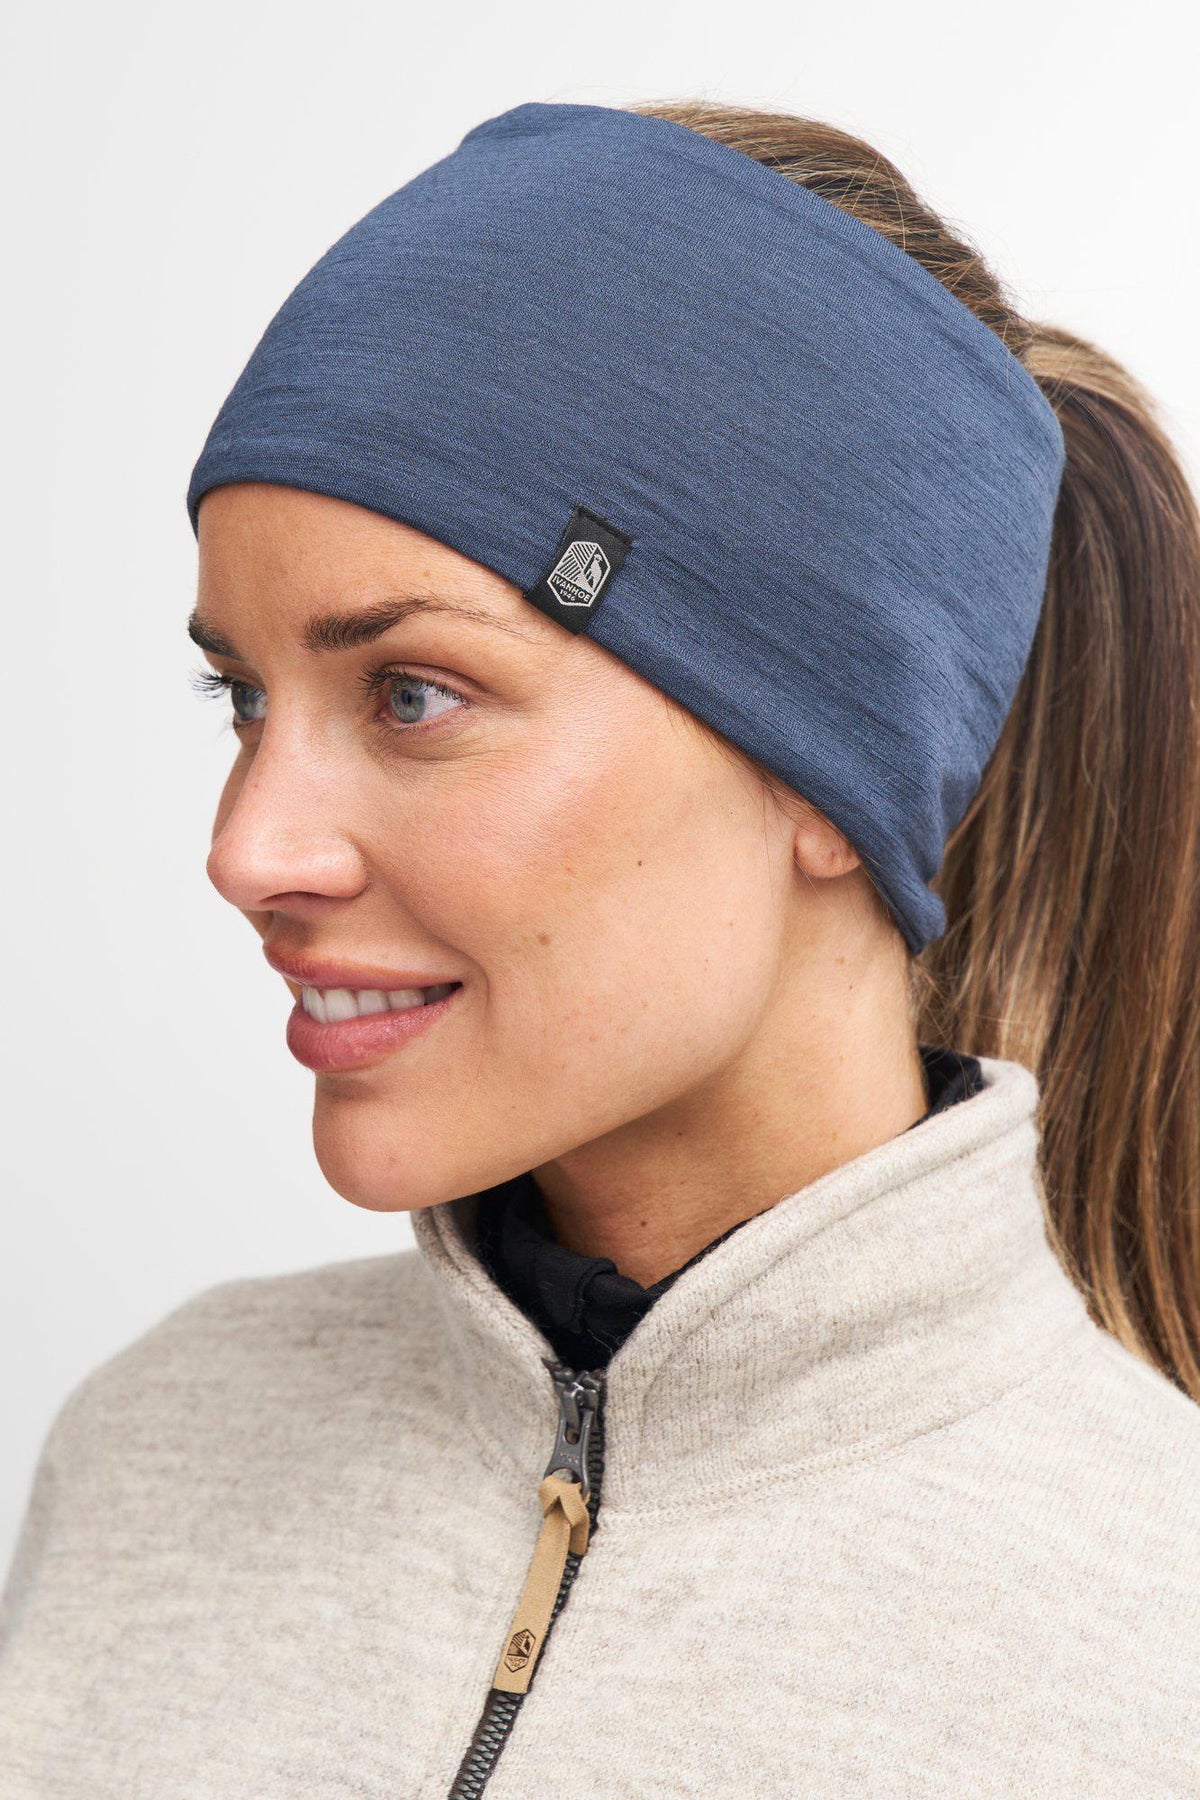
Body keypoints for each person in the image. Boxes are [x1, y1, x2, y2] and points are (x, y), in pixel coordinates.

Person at [2, 97, 1198, 1799]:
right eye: (243, 698)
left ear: (828, 768)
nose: (247, 849)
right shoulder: (157, 1450)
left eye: (413, 694)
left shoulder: (1156, 1652)